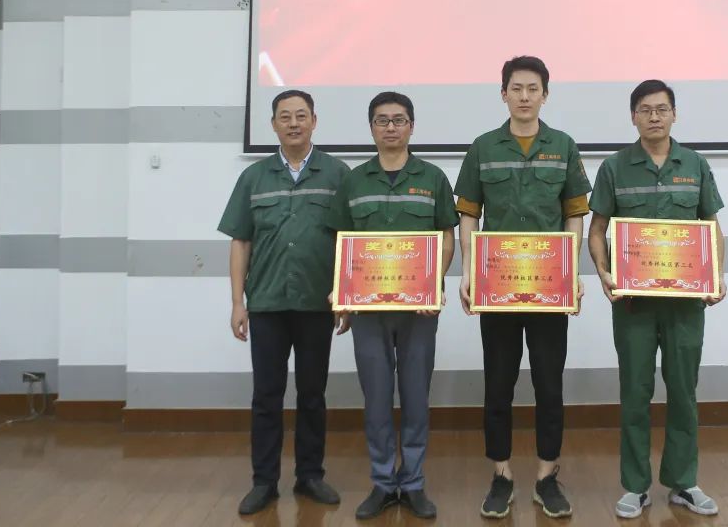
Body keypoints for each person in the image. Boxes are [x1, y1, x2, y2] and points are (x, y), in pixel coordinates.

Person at [454, 56, 592, 519]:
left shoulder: (563, 146)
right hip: (497, 288)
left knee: (549, 384)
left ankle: (547, 476)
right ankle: (502, 474)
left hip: (550, 289)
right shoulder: (483, 147)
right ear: (504, 94)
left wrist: (571, 272)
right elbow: (468, 214)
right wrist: (469, 272)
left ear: (545, 95)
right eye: (517, 88)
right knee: (499, 383)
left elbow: (575, 213)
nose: (525, 96)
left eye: (533, 88)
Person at [587, 79, 727, 519]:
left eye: (661, 109)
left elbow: (711, 226)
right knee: (635, 392)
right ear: (633, 116)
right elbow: (597, 230)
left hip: (685, 304)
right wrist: (604, 272)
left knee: (684, 391)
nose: (654, 117)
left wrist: (717, 276)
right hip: (635, 305)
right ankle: (635, 486)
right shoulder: (614, 167)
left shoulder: (695, 164)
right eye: (645, 110)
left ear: (674, 114)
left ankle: (684, 482)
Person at [327, 92, 458, 520]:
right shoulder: (354, 181)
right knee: (377, 397)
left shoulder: (433, 178)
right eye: (382, 120)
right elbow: (341, 241)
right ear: (371, 128)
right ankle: (383, 482)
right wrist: (341, 294)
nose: (390, 127)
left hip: (419, 312)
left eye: (399, 120)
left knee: (416, 396)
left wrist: (433, 283)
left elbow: (447, 235)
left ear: (411, 127)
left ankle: (413, 483)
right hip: (367, 312)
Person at [218, 89, 349, 515]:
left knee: (313, 393)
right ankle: (264, 481)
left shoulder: (337, 173)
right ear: (273, 124)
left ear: (314, 121)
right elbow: (240, 241)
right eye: (285, 117)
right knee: (266, 395)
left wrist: (345, 296)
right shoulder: (254, 177)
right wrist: (237, 303)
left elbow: (350, 242)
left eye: (301, 116)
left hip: (316, 302)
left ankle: (310, 475)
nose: (294, 123)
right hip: (268, 303)